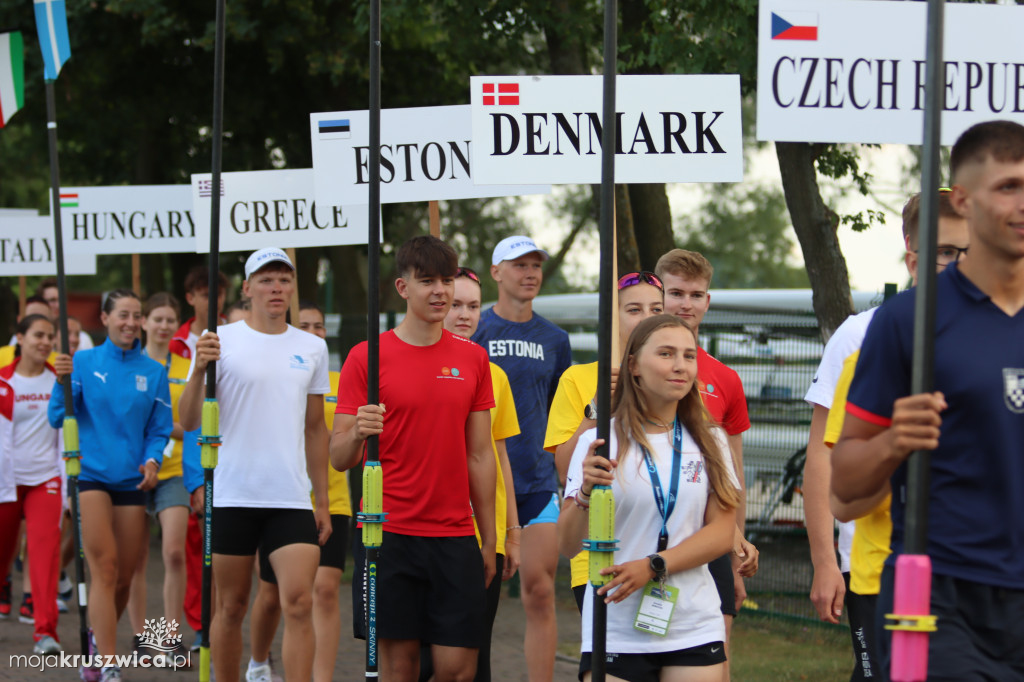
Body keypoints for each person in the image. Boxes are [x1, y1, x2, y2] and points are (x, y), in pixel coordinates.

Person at [832, 120, 1024, 681]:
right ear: (963, 199)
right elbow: (844, 491)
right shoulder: (907, 323)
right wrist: (893, 440)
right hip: (940, 599)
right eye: (1007, 186)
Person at [803, 190, 968, 681]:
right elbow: (822, 456)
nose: (956, 261)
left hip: (978, 570)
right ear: (911, 252)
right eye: (941, 249)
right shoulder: (861, 335)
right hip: (880, 562)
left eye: (965, 246)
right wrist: (824, 560)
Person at [331, 235, 497, 682]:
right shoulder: (365, 357)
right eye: (428, 281)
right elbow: (338, 455)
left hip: (454, 535)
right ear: (403, 287)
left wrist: (490, 536)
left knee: (457, 670)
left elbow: (480, 456)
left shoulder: (474, 359)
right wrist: (360, 433)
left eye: (446, 280)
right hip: (386, 535)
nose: (440, 291)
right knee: (399, 670)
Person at [559, 314, 742, 682]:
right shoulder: (599, 441)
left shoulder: (711, 440)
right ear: (634, 367)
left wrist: (653, 565)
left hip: (694, 622)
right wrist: (584, 494)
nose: (680, 366)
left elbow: (723, 532)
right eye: (666, 353)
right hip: (615, 626)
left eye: (689, 356)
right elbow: (566, 545)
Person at [179, 248, 331, 682]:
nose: (277, 288)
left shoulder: (313, 347)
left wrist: (321, 500)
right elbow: (188, 419)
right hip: (233, 494)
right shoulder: (219, 339)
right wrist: (198, 371)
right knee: (230, 606)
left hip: (289, 496)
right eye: (266, 280)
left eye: (284, 280)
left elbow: (316, 429)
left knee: (299, 602)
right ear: (247, 289)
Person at [48, 289, 173, 682]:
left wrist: (153, 460)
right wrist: (64, 382)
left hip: (131, 481)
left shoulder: (153, 371)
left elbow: (159, 429)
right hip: (89, 477)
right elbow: (56, 417)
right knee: (103, 567)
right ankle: (107, 662)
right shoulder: (82, 362)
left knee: (122, 576)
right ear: (104, 318)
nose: (131, 322)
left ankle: (97, 643)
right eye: (123, 314)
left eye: (136, 315)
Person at [471, 235, 572, 682]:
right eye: (519, 265)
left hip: (535, 484)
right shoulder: (473, 330)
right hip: (478, 485)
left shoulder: (555, 339)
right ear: (496, 273)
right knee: (475, 595)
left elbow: (559, 409)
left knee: (539, 592)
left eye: (535, 266)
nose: (530, 273)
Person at [654, 249, 754, 681]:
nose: (685, 304)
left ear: (708, 302)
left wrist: (737, 544)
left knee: (716, 662)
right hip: (646, 537)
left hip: (710, 536)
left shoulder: (726, 379)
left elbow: (734, 471)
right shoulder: (632, 371)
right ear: (659, 293)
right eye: (676, 293)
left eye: (696, 295)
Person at [544, 270, 665, 611]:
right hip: (598, 555)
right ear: (612, 318)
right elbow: (566, 468)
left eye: (656, 310)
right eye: (634, 309)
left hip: (665, 555)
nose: (646, 319)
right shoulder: (578, 378)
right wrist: (597, 410)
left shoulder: (677, 380)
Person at [246, 301, 351, 682]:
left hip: (333, 500)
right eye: (304, 324)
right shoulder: (272, 375)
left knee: (323, 590)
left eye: (319, 326)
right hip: (280, 499)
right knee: (272, 596)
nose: (312, 331)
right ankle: (258, 662)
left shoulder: (342, 383)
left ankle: (318, 677)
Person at [439, 266, 521, 682]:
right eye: (456, 304)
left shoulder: (495, 374)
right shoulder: (410, 364)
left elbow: (499, 452)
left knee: (476, 655)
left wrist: (511, 531)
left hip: (483, 534)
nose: (465, 314)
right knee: (422, 659)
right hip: (429, 530)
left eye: (473, 306)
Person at [125, 293, 194, 662]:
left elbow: (195, 424)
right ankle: (140, 638)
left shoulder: (187, 365)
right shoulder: (130, 364)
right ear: (144, 322)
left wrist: (166, 429)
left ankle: (169, 638)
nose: (164, 326)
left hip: (176, 473)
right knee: (135, 559)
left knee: (172, 553)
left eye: (171, 320)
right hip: (133, 471)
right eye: (157, 319)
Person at [0, 315, 63, 654]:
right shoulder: (2, 380)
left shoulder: (59, 382)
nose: (45, 342)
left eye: (50, 337)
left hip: (45, 479)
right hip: (5, 482)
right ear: (19, 338)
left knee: (44, 553)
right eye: (38, 335)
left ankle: (45, 632)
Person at [169, 265, 229, 359]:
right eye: (206, 295)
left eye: (218, 294)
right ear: (190, 298)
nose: (213, 301)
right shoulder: (178, 341)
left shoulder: (236, 329)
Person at [37, 277, 93, 350]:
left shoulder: (83, 339)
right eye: (52, 300)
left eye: (61, 300)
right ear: (41, 303)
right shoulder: (30, 338)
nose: (58, 305)